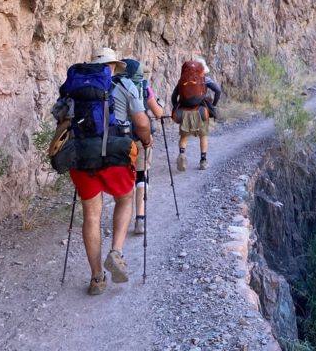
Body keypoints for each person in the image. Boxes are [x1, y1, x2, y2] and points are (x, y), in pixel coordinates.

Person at [54, 47, 152, 295]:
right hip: (116, 156)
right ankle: (116, 251)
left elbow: (60, 119)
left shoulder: (74, 87)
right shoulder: (124, 85)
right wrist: (147, 141)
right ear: (112, 66)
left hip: (82, 157)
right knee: (125, 199)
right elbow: (141, 122)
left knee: (91, 215)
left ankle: (96, 278)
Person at [121, 58, 165, 236]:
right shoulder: (144, 86)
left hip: (117, 140)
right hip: (139, 137)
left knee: (123, 176)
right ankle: (140, 218)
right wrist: (159, 103)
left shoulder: (113, 85)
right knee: (141, 174)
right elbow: (158, 113)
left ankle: (123, 212)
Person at [172, 56, 222, 171]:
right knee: (203, 136)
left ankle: (182, 155)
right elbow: (218, 90)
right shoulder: (205, 79)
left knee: (184, 136)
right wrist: (213, 105)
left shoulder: (182, 80)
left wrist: (176, 106)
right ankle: (203, 161)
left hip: (184, 112)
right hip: (201, 111)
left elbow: (174, 96)